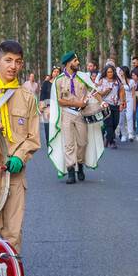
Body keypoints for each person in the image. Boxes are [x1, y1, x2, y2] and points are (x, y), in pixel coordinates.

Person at [0, 39, 40, 250]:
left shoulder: (27, 97)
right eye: (8, 60)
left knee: (13, 232)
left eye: (18, 62)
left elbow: (33, 137)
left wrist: (20, 157)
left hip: (15, 174)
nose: (13, 66)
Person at [47, 51, 102, 183]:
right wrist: (77, 103)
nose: (78, 63)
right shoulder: (59, 80)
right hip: (66, 114)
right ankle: (71, 171)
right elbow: (59, 101)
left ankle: (80, 165)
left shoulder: (82, 77)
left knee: (83, 142)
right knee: (69, 144)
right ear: (68, 63)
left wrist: (103, 102)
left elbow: (94, 91)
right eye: (75, 61)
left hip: (81, 115)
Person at [96, 63, 123, 149]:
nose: (110, 74)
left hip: (116, 104)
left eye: (111, 72)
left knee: (116, 122)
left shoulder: (117, 81)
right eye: (108, 72)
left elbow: (122, 91)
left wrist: (122, 102)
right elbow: (97, 93)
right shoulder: (102, 81)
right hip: (106, 105)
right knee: (109, 124)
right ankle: (112, 141)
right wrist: (106, 92)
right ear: (106, 73)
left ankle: (108, 138)